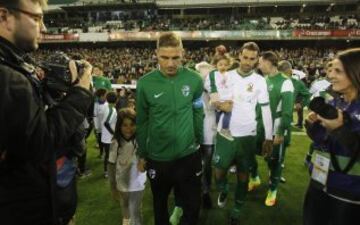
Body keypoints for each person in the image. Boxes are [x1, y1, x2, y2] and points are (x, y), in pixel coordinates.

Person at [0, 0, 93, 225]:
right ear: (4, 16)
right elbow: (42, 142)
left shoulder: (14, 65)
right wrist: (79, 93)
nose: (44, 28)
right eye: (37, 18)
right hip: (19, 209)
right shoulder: (7, 76)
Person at [136, 32, 204, 225]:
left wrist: (197, 139)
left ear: (183, 53)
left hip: (188, 156)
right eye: (164, 57)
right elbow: (142, 121)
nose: (170, 64)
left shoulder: (195, 80)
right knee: (160, 207)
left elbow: (198, 112)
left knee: (192, 208)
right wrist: (142, 154)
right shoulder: (144, 83)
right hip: (158, 158)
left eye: (175, 57)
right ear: (156, 54)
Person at [213, 42, 273, 225]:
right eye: (245, 57)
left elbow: (265, 109)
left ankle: (237, 210)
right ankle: (223, 189)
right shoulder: (226, 76)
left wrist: (269, 137)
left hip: (248, 135)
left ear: (257, 60)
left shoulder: (260, 81)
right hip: (225, 133)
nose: (247, 62)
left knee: (243, 175)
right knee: (219, 171)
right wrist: (218, 104)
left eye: (252, 59)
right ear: (239, 55)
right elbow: (214, 97)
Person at [303, 48, 360, 225]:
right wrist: (313, 126)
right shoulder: (335, 102)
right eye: (330, 70)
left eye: (338, 71)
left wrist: (339, 129)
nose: (331, 75)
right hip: (319, 182)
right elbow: (321, 140)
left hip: (349, 191)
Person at [251, 51, 294, 207]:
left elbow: (287, 111)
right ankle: (255, 177)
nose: (259, 65)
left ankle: (273, 189)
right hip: (261, 125)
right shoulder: (264, 80)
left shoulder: (285, 82)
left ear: (269, 62)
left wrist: (280, 132)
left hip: (276, 127)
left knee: (274, 160)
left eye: (261, 62)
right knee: (250, 153)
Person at [108, 108, 146, 225]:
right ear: (119, 126)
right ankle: (126, 220)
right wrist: (113, 185)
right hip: (122, 182)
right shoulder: (116, 142)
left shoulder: (141, 141)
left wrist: (144, 163)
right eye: (125, 125)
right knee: (125, 204)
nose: (128, 128)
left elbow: (146, 159)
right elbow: (111, 165)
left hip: (138, 183)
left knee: (136, 208)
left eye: (132, 124)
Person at [208, 50, 234, 141]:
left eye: (225, 65)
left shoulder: (230, 75)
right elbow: (209, 85)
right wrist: (215, 99)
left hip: (227, 99)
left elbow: (232, 86)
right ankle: (221, 127)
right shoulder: (213, 74)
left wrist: (232, 98)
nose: (223, 67)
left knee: (225, 113)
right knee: (222, 113)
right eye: (220, 64)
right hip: (218, 99)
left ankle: (221, 126)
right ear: (216, 65)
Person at [101, 91, 118, 178]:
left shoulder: (105, 106)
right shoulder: (112, 110)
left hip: (105, 136)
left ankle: (106, 171)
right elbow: (106, 123)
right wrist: (113, 133)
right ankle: (107, 171)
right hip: (109, 137)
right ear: (116, 100)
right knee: (110, 155)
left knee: (107, 154)